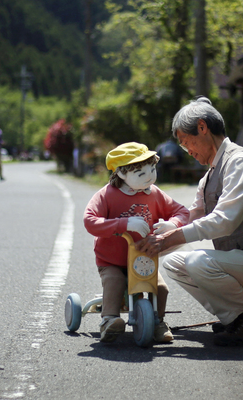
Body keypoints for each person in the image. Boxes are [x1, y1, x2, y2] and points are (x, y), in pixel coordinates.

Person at [136, 97, 243, 347]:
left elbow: (224, 222)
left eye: (187, 142)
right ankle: (237, 315)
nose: (188, 151)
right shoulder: (209, 176)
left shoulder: (240, 162)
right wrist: (155, 242)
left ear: (202, 127)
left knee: (198, 261)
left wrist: (173, 236)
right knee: (175, 263)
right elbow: (192, 217)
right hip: (242, 267)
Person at [83, 142, 190, 344]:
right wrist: (123, 224)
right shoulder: (106, 195)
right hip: (111, 260)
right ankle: (109, 320)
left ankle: (157, 322)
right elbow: (90, 221)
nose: (149, 177)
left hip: (143, 258)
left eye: (152, 170)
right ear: (122, 173)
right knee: (114, 282)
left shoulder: (155, 194)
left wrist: (172, 223)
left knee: (160, 288)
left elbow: (182, 211)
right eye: (141, 174)